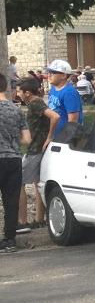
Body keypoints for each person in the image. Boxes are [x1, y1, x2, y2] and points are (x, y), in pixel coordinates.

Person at [0, 75, 30, 254]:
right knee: (11, 200)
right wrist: (11, 140)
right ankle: (9, 239)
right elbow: (27, 139)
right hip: (13, 159)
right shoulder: (16, 110)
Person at [14, 78, 48, 234]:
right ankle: (39, 219)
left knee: (18, 181)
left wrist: (49, 137)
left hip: (34, 150)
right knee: (38, 182)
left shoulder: (35, 103)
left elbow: (54, 116)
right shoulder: (35, 103)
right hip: (37, 149)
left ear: (27, 93)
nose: (17, 94)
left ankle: (23, 221)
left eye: (19, 91)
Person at [43, 60, 83, 145]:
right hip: (55, 134)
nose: (49, 75)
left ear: (63, 75)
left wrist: (63, 142)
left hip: (65, 139)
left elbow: (72, 121)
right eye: (48, 72)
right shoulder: (53, 89)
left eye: (53, 73)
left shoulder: (69, 93)